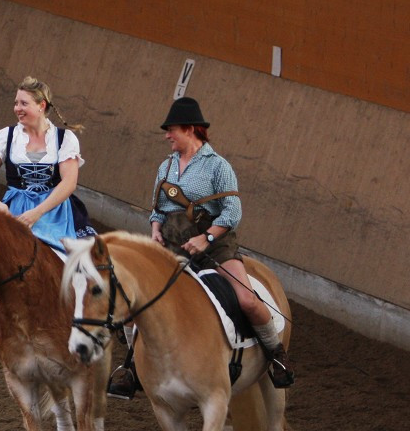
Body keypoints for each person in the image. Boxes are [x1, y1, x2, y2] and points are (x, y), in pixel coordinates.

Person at [107, 96, 294, 397]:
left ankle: (276, 356)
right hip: (172, 245)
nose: (167, 135)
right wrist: (155, 230)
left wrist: (205, 238)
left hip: (215, 245)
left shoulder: (218, 166)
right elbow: (158, 209)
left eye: (172, 130)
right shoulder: (165, 167)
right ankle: (133, 366)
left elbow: (232, 212)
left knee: (246, 300)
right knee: (133, 305)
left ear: (191, 129)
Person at [0, 76, 96, 375]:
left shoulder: (65, 140)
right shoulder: (6, 137)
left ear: (42, 106)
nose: (17, 109)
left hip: (55, 212)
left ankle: (87, 334)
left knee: (89, 268)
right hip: (13, 213)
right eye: (16, 103)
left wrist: (38, 212)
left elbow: (68, 183)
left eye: (23, 103)